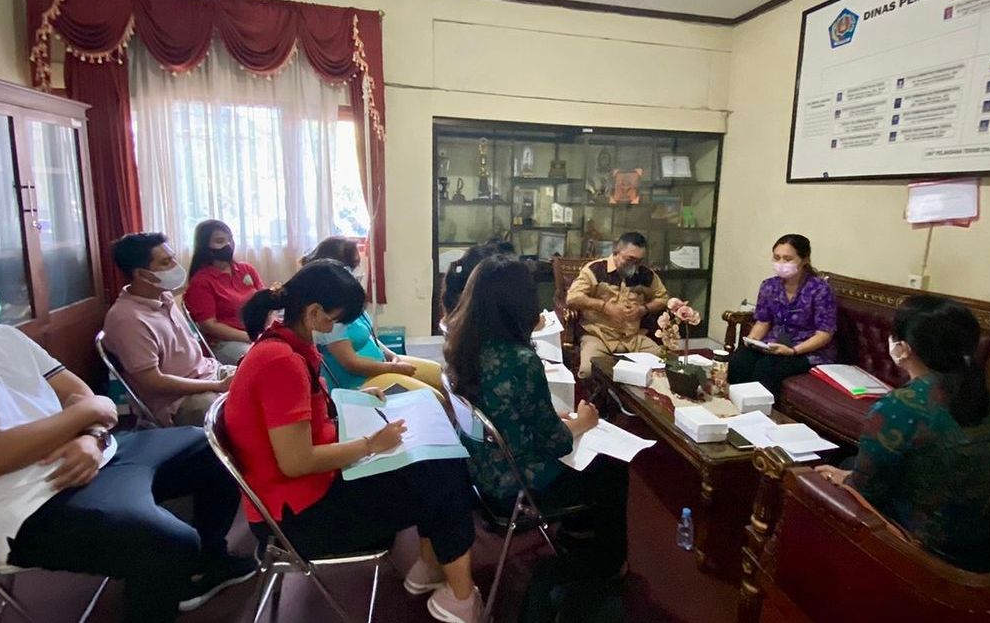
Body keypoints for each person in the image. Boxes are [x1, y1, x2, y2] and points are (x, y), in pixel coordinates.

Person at [0, 235, 252, 623]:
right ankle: (173, 570)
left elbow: (78, 391)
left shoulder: (2, 337)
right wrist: (89, 415)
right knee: (168, 543)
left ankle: (207, 563)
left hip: (97, 455)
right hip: (30, 506)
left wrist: (90, 436)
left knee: (211, 447)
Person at [225, 259, 483, 623]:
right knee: (444, 476)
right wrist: (370, 446)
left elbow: (307, 425)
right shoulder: (280, 362)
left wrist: (360, 403)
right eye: (334, 319)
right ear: (313, 312)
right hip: (299, 517)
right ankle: (457, 593)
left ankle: (433, 569)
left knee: (438, 464)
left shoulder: (287, 345)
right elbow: (295, 461)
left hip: (303, 492)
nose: (335, 329)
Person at [445, 255, 629, 578]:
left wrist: (549, 415)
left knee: (586, 449)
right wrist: (583, 421)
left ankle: (577, 533)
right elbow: (555, 441)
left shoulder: (463, 345)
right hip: (517, 486)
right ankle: (606, 562)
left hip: (480, 474)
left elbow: (500, 405)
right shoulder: (520, 360)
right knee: (612, 467)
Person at [815, 296, 990, 572]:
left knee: (825, 475)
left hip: (932, 553)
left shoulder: (898, 406)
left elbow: (865, 490)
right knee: (849, 463)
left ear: (902, 349)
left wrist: (837, 478)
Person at [103, 232, 232, 427]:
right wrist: (217, 386)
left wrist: (219, 381)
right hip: (179, 401)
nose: (175, 266)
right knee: (241, 413)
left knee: (269, 380)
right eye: (165, 262)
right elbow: (153, 382)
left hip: (209, 374)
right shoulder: (127, 319)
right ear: (141, 274)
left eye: (173, 258)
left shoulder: (164, 297)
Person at [299, 236, 442, 392]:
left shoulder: (349, 300)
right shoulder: (327, 313)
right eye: (354, 266)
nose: (358, 271)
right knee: (432, 395)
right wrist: (392, 368)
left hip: (383, 367)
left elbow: (370, 338)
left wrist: (392, 356)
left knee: (439, 374)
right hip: (361, 381)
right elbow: (351, 363)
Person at [728, 234, 838, 393]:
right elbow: (763, 322)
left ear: (804, 259)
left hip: (806, 350)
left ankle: (760, 412)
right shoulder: (769, 286)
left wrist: (793, 351)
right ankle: (734, 406)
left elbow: (824, 334)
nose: (781, 264)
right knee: (741, 359)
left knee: (766, 368)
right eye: (777, 258)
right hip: (774, 344)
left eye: (787, 259)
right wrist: (752, 341)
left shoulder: (820, 290)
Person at [565, 232, 669, 378]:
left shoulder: (646, 275)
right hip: (599, 336)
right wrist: (604, 306)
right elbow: (572, 298)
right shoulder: (595, 270)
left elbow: (663, 298)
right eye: (630, 259)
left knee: (664, 363)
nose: (635, 265)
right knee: (589, 371)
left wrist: (643, 309)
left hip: (633, 338)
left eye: (639, 261)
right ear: (615, 252)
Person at [185, 219, 264, 364]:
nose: (228, 245)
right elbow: (210, 325)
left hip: (259, 333)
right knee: (262, 361)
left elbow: (266, 302)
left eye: (230, 239)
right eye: (220, 240)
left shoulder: (246, 269)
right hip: (227, 342)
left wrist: (268, 329)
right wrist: (251, 336)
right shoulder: (201, 281)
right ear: (205, 246)